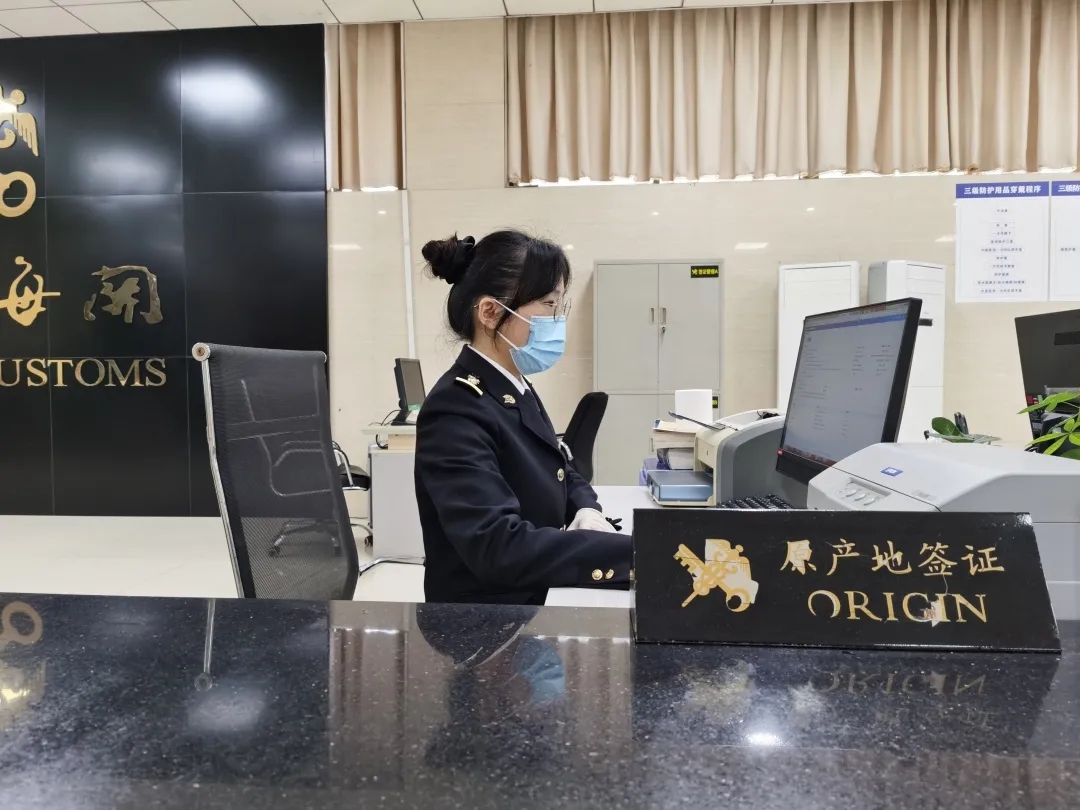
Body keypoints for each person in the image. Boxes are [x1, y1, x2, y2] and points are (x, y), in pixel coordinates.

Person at [414, 230, 631, 605]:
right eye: (548, 304)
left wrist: (585, 508)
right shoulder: (455, 408)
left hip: (534, 596)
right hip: (485, 621)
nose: (557, 319)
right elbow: (498, 547)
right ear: (490, 312)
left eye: (559, 305)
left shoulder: (513, 385)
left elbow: (561, 466)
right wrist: (634, 552)